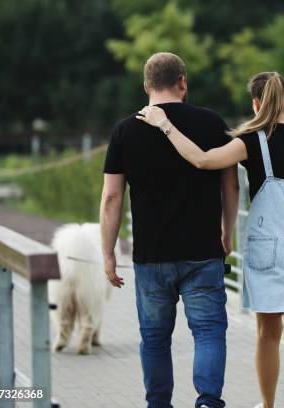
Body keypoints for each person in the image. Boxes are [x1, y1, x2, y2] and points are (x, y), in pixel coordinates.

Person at [137, 71, 284, 408]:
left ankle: (268, 405)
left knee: (267, 333)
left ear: (255, 103)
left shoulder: (251, 141)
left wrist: (164, 125)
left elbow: (202, 160)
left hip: (265, 247)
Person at [100, 52, 239, 408]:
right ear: (183, 82)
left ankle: (158, 404)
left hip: (150, 255)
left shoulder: (124, 130)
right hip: (202, 250)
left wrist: (108, 254)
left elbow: (112, 198)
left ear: (146, 86)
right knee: (209, 332)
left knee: (155, 338)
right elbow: (231, 186)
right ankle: (208, 401)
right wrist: (228, 231)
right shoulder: (212, 123)